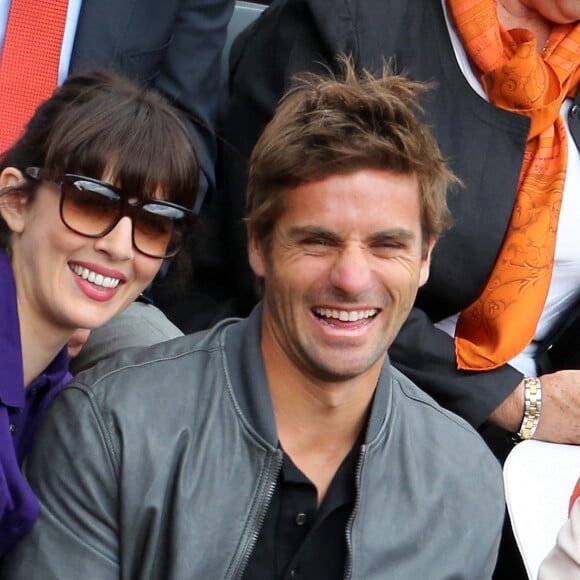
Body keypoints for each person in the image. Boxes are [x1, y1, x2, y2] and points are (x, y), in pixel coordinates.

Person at [0, 58, 504, 579]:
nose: (352, 278)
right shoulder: (112, 429)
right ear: (257, 248)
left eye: (386, 245)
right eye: (317, 240)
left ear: (425, 259)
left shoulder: (465, 482)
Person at [0, 69, 199, 555]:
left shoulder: (58, 387)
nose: (118, 246)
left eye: (154, 224)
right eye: (90, 202)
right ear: (15, 200)